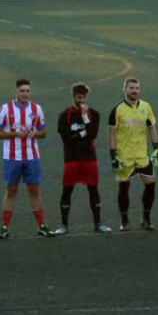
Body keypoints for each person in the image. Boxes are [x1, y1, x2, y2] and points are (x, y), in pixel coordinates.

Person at [0, 78, 54, 239]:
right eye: (22, 91)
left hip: (32, 157)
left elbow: (43, 132)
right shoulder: (5, 109)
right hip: (12, 157)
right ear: (16, 91)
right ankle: (4, 227)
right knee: (11, 191)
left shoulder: (37, 109)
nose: (25, 94)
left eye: (27, 91)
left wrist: (36, 133)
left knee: (34, 190)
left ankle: (42, 225)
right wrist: (15, 134)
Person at [55, 83, 110, 234]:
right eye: (79, 97)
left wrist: (85, 117)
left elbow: (92, 135)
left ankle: (98, 224)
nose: (82, 100)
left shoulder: (94, 114)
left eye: (84, 97)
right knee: (67, 190)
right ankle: (63, 225)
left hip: (89, 158)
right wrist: (83, 133)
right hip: (71, 159)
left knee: (93, 189)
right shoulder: (64, 115)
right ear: (73, 97)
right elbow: (68, 141)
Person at [108, 77, 158, 231]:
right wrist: (113, 156)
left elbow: (152, 128)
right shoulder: (117, 110)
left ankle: (146, 218)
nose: (135, 91)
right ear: (125, 90)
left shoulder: (146, 106)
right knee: (124, 188)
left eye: (137, 88)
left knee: (151, 184)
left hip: (142, 155)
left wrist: (156, 149)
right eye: (131, 88)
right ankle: (124, 220)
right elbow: (111, 134)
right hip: (124, 156)